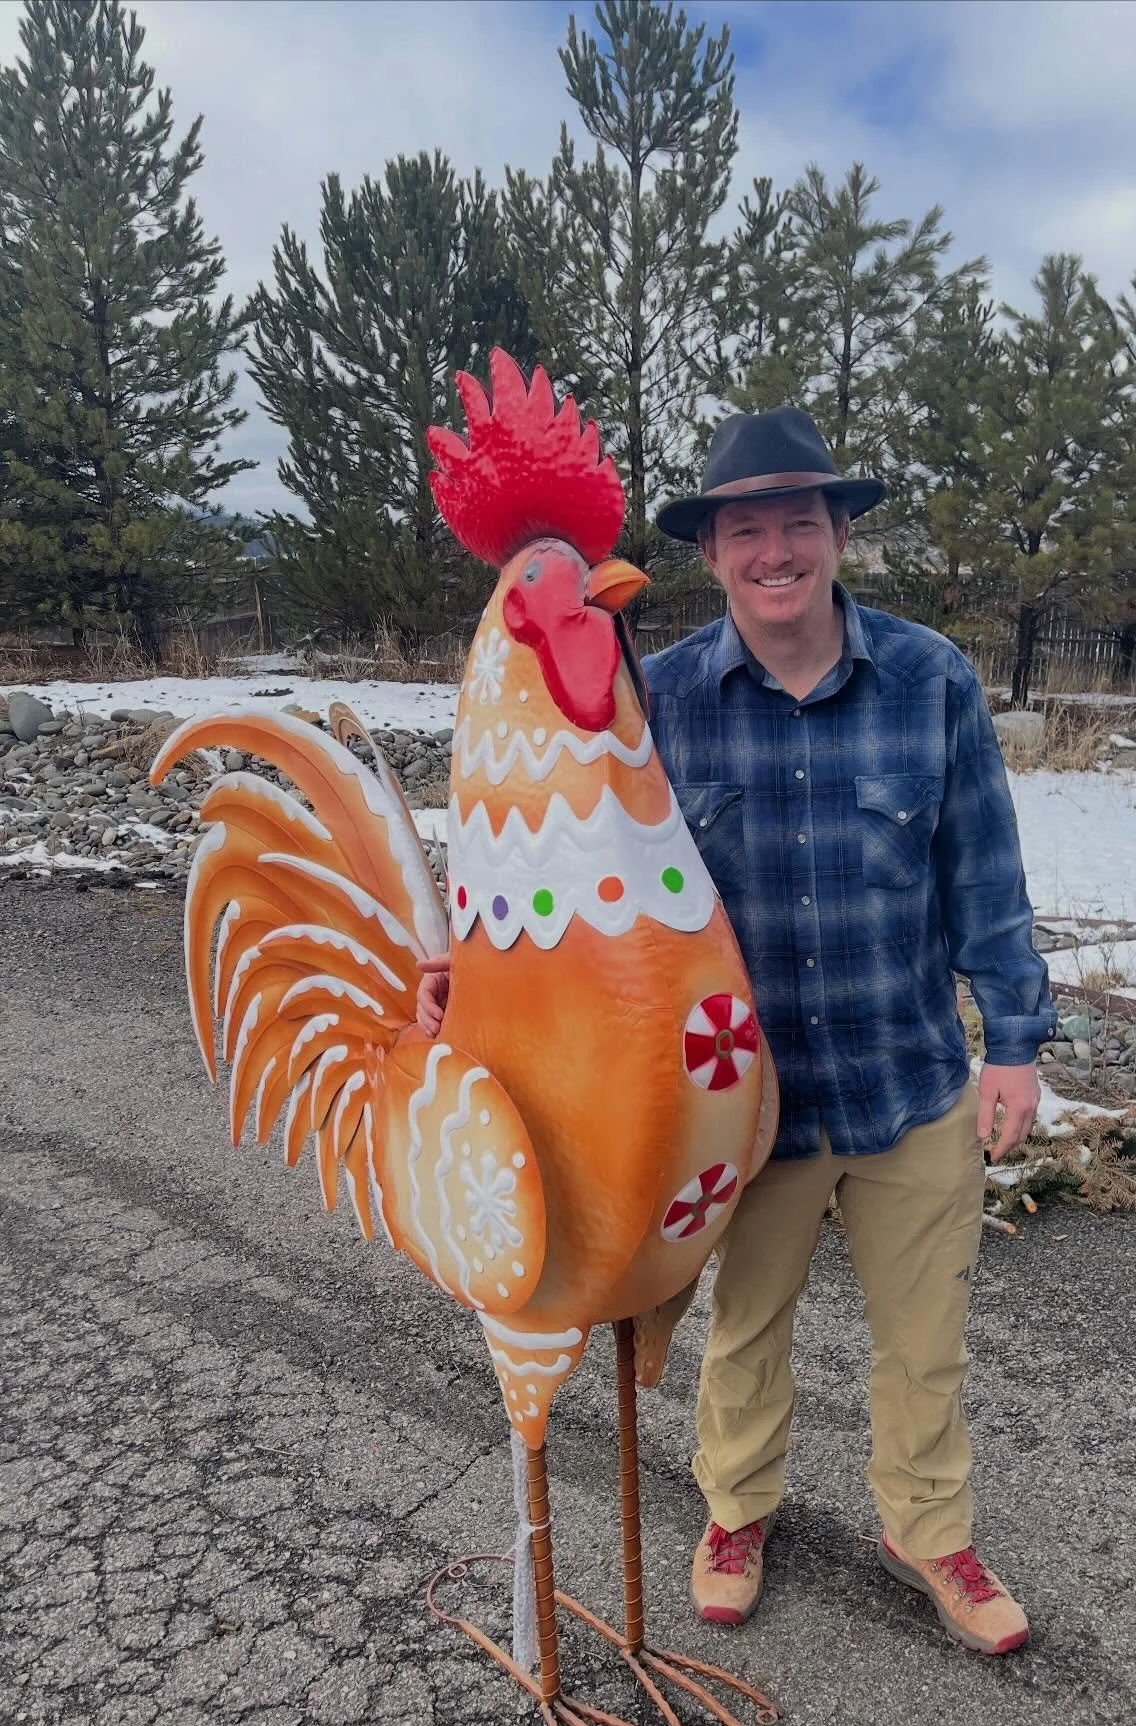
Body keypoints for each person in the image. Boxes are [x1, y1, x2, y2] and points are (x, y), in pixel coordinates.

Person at [419, 405, 1055, 1656]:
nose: (777, 552)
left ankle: (930, 1531)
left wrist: (1018, 1043)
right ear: (712, 554)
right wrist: (468, 965)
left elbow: (985, 873)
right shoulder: (665, 700)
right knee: (744, 1333)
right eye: (747, 530)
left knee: (925, 1344)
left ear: (838, 536)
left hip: (909, 1082)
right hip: (743, 1103)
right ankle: (736, 1513)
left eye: (799, 525)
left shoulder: (931, 683)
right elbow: (563, 843)